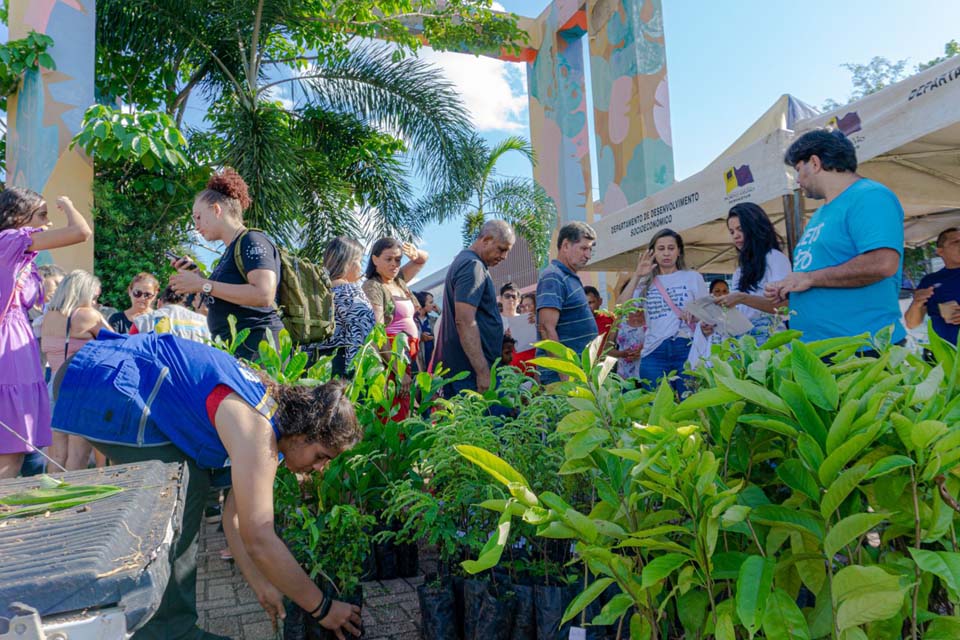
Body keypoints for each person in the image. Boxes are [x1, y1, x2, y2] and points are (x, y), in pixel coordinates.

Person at [52, 331, 363, 640]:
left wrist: (260, 584)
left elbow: (236, 519)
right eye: (322, 455)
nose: (320, 468)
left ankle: (166, 627)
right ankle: (170, 632)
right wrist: (323, 608)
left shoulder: (270, 418)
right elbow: (259, 536)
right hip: (99, 378)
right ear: (303, 432)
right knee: (185, 485)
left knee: (188, 481)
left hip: (103, 370)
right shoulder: (257, 431)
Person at [765, 130, 905, 345]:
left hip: (860, 350)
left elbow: (883, 263)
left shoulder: (869, 195)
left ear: (814, 162)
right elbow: (821, 270)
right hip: (819, 349)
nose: (797, 180)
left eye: (798, 169)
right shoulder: (821, 213)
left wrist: (808, 278)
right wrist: (790, 286)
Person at [0, 189, 91, 478]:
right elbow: (81, 232)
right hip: (8, 342)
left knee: (13, 447)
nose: (48, 223)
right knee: (10, 446)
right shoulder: (10, 240)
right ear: (18, 217)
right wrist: (68, 205)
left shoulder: (16, 251)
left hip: (18, 339)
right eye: (42, 215)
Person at [170, 169, 284, 361]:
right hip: (237, 351)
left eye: (197, 217)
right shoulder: (231, 250)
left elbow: (264, 294)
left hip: (259, 350)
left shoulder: (252, 240)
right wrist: (198, 278)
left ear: (216, 210)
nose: (196, 226)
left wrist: (203, 285)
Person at [617, 228, 707, 393]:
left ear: (679, 251)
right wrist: (637, 275)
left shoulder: (693, 277)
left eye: (671, 248)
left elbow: (709, 315)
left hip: (686, 347)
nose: (666, 253)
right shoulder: (645, 282)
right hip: (653, 351)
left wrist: (696, 316)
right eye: (661, 249)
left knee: (690, 404)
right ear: (653, 253)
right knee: (655, 408)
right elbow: (621, 308)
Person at [433, 220, 515, 394]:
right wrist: (483, 371)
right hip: (471, 374)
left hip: (468, 371)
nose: (504, 256)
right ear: (485, 240)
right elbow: (465, 321)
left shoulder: (469, 263)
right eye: (501, 249)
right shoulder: (472, 266)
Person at [41, 270, 111, 471]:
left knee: (56, 455)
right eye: (94, 296)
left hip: (54, 384)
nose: (95, 301)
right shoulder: (87, 315)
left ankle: (53, 498)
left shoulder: (49, 317)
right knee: (78, 455)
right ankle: (74, 499)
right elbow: (118, 341)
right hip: (81, 386)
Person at [362, 237, 429, 412]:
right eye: (388, 259)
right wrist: (398, 369)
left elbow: (423, 259)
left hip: (410, 354)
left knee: (410, 411)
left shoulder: (398, 280)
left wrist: (415, 253)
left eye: (398, 260)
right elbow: (378, 331)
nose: (394, 264)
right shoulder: (373, 286)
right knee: (394, 411)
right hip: (391, 356)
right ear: (375, 259)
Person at [716, 203, 792, 344]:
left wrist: (742, 298)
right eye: (732, 232)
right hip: (742, 339)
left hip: (771, 338)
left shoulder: (774, 258)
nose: (736, 236)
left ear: (755, 227)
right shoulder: (740, 270)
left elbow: (784, 306)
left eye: (740, 229)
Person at [536, 222, 599, 384]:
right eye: (584, 248)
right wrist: (566, 377)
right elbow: (546, 328)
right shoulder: (553, 276)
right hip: (561, 379)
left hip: (578, 372)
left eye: (590, 249)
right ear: (565, 245)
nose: (588, 255)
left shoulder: (568, 276)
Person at [311, 237, 375, 376]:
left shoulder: (314, 293)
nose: (360, 267)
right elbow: (360, 333)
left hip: (313, 367)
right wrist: (355, 375)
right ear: (348, 263)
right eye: (359, 261)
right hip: (340, 365)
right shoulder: (349, 291)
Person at [905, 227, 960, 344]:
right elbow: (911, 324)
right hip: (946, 354)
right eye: (956, 242)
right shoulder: (930, 281)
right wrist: (916, 303)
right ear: (940, 251)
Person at [132, 286, 213, 343]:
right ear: (187, 305)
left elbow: (128, 352)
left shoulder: (141, 321)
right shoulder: (205, 323)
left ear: (159, 303)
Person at [687, 279, 730, 370]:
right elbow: (700, 336)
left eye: (725, 291)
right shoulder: (704, 312)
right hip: (710, 356)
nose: (721, 294)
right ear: (711, 293)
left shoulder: (734, 310)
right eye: (717, 291)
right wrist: (704, 329)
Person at [414, 291, 438, 372]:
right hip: (421, 366)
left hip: (435, 362)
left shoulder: (433, 320)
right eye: (430, 302)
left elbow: (448, 322)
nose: (433, 305)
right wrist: (420, 337)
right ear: (422, 303)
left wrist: (439, 311)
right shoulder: (412, 321)